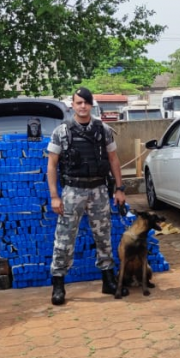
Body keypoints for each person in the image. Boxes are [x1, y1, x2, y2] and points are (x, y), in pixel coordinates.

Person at [46, 87, 127, 306]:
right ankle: (58, 285)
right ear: (72, 104)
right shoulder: (61, 131)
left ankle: (108, 280)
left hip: (99, 190)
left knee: (103, 236)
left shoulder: (103, 130)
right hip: (73, 191)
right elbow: (52, 165)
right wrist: (54, 196)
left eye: (86, 102)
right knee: (64, 239)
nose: (83, 106)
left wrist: (119, 189)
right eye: (79, 102)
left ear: (92, 105)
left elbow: (113, 160)